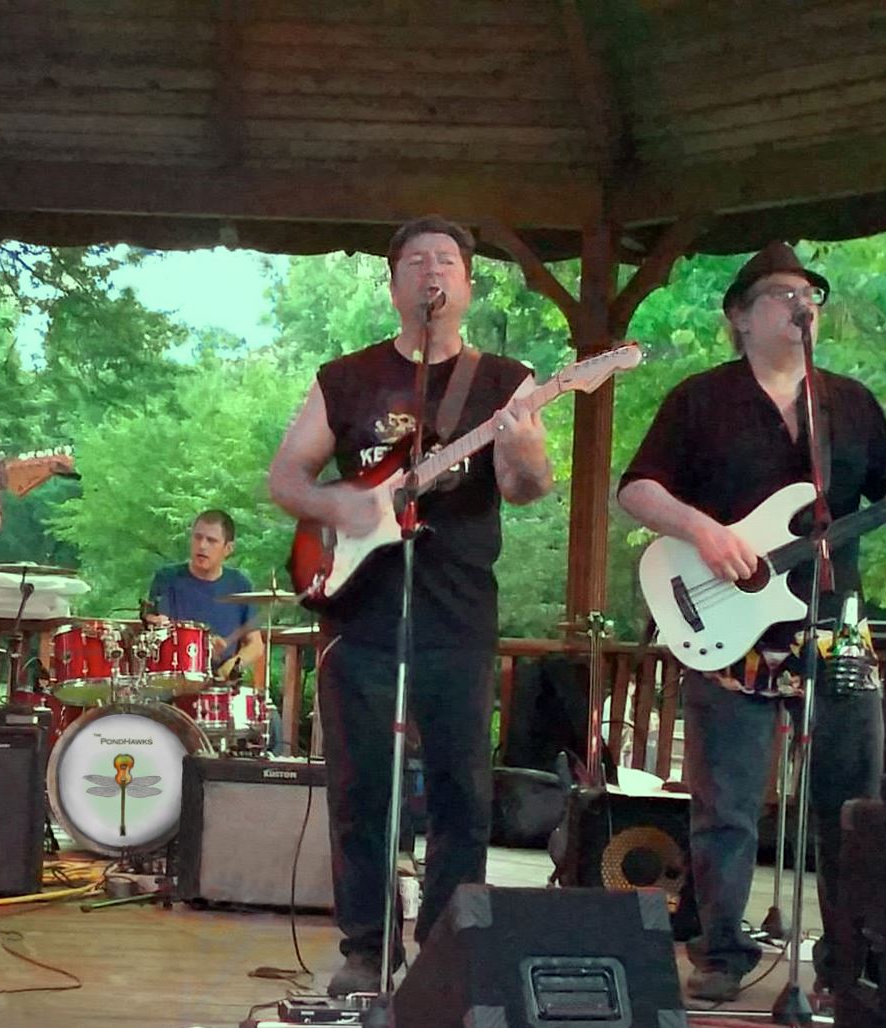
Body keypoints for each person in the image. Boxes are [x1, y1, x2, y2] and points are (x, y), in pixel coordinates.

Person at [267, 216, 553, 997]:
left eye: (449, 261)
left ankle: (446, 940)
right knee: (360, 785)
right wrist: (346, 508)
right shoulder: (347, 378)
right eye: (417, 260)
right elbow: (286, 478)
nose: (433, 271)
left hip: (458, 613)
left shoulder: (506, 381)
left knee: (463, 785)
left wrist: (524, 448)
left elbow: (530, 490)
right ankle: (365, 944)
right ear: (394, 283)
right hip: (357, 609)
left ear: (467, 284)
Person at [618, 242, 886, 1004]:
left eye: (809, 291)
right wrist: (705, 532)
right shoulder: (700, 399)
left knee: (851, 804)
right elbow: (637, 490)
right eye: (780, 293)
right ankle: (719, 952)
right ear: (741, 317)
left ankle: (848, 962)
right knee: (728, 808)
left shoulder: (848, 403)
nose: (800, 302)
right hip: (728, 632)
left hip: (832, 624)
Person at [144, 510, 263, 678]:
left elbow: (256, 645)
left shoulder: (240, 584)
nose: (202, 546)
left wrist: (233, 665)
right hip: (173, 679)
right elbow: (158, 627)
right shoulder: (167, 578)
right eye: (197, 537)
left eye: (211, 541)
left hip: (219, 684)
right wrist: (202, 644)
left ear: (228, 548)